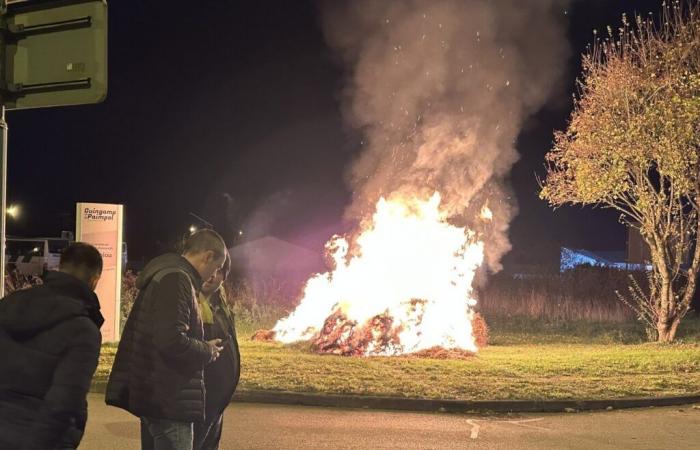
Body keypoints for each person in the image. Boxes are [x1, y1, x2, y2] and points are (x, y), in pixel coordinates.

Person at [106, 229, 227, 450]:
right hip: (170, 398)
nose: (214, 273)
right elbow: (171, 340)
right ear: (207, 256)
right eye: (217, 267)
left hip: (159, 394)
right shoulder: (176, 279)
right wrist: (207, 350)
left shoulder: (170, 275)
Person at [0, 242, 104, 450]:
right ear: (94, 280)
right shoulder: (83, 330)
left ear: (61, 266)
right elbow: (64, 403)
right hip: (39, 439)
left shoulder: (12, 303)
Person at [194, 251, 240, 450]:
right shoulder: (190, 302)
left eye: (219, 271)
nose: (213, 275)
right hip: (198, 401)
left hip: (216, 401)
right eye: (211, 268)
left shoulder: (219, 305)